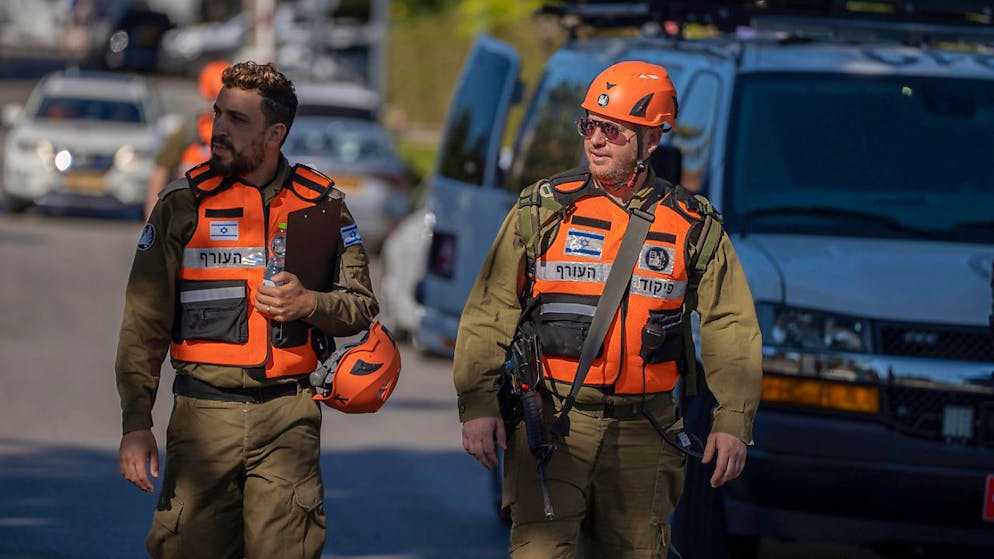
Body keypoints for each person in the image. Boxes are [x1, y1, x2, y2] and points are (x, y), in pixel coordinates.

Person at [453, 61, 762, 557]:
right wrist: (478, 405)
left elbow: (731, 325)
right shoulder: (543, 209)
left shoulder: (693, 225)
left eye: (612, 130)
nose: (595, 140)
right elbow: (490, 309)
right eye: (589, 125)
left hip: (646, 432)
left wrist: (733, 421)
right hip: (553, 423)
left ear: (651, 140)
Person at [116, 61, 379, 559]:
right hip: (202, 416)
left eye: (237, 120)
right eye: (219, 113)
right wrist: (136, 423)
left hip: (288, 417)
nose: (219, 128)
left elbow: (362, 306)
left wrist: (310, 303)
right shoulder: (182, 204)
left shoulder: (321, 204)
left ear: (275, 134)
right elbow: (142, 324)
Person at [144, 60, 230, 218]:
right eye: (213, 98)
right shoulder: (192, 128)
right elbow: (161, 169)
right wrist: (152, 217)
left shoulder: (245, 132)